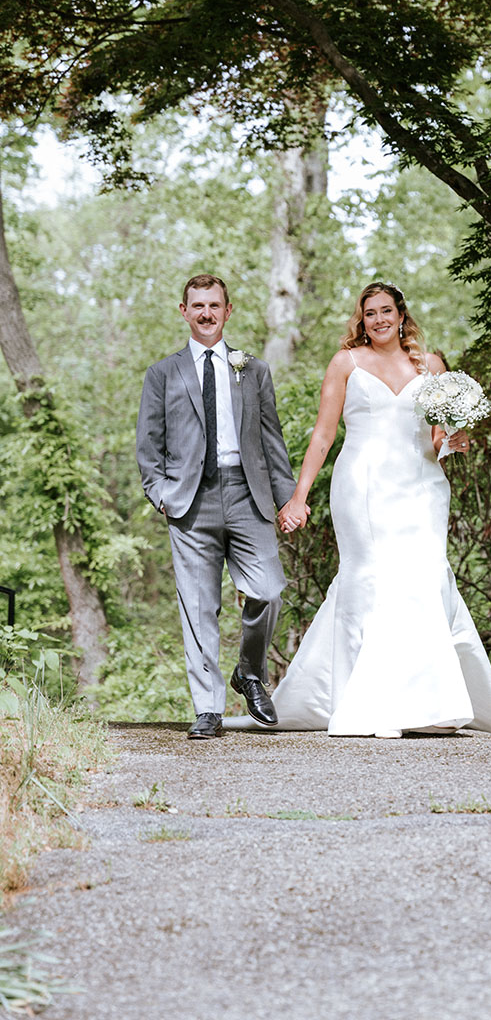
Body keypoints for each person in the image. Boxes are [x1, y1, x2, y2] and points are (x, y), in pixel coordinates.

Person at [265, 281, 491, 743]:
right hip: (363, 487)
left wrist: (454, 439)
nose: (378, 320)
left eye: (386, 311)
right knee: (369, 577)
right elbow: (322, 435)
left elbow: (438, 436)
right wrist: (300, 495)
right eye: (369, 312)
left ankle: (431, 704)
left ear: (401, 315)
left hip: (422, 485)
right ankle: (364, 699)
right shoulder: (347, 364)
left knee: (425, 578)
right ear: (361, 318)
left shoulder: (430, 366)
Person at [136, 273, 307, 739]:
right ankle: (208, 707)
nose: (207, 313)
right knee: (199, 606)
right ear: (184, 311)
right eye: (198, 306)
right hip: (190, 502)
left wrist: (289, 498)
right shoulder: (162, 373)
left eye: (215, 305)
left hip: (248, 495)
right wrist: (161, 495)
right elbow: (148, 446)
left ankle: (249, 672)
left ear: (228, 312)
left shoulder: (252, 369)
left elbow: (272, 441)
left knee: (268, 590)